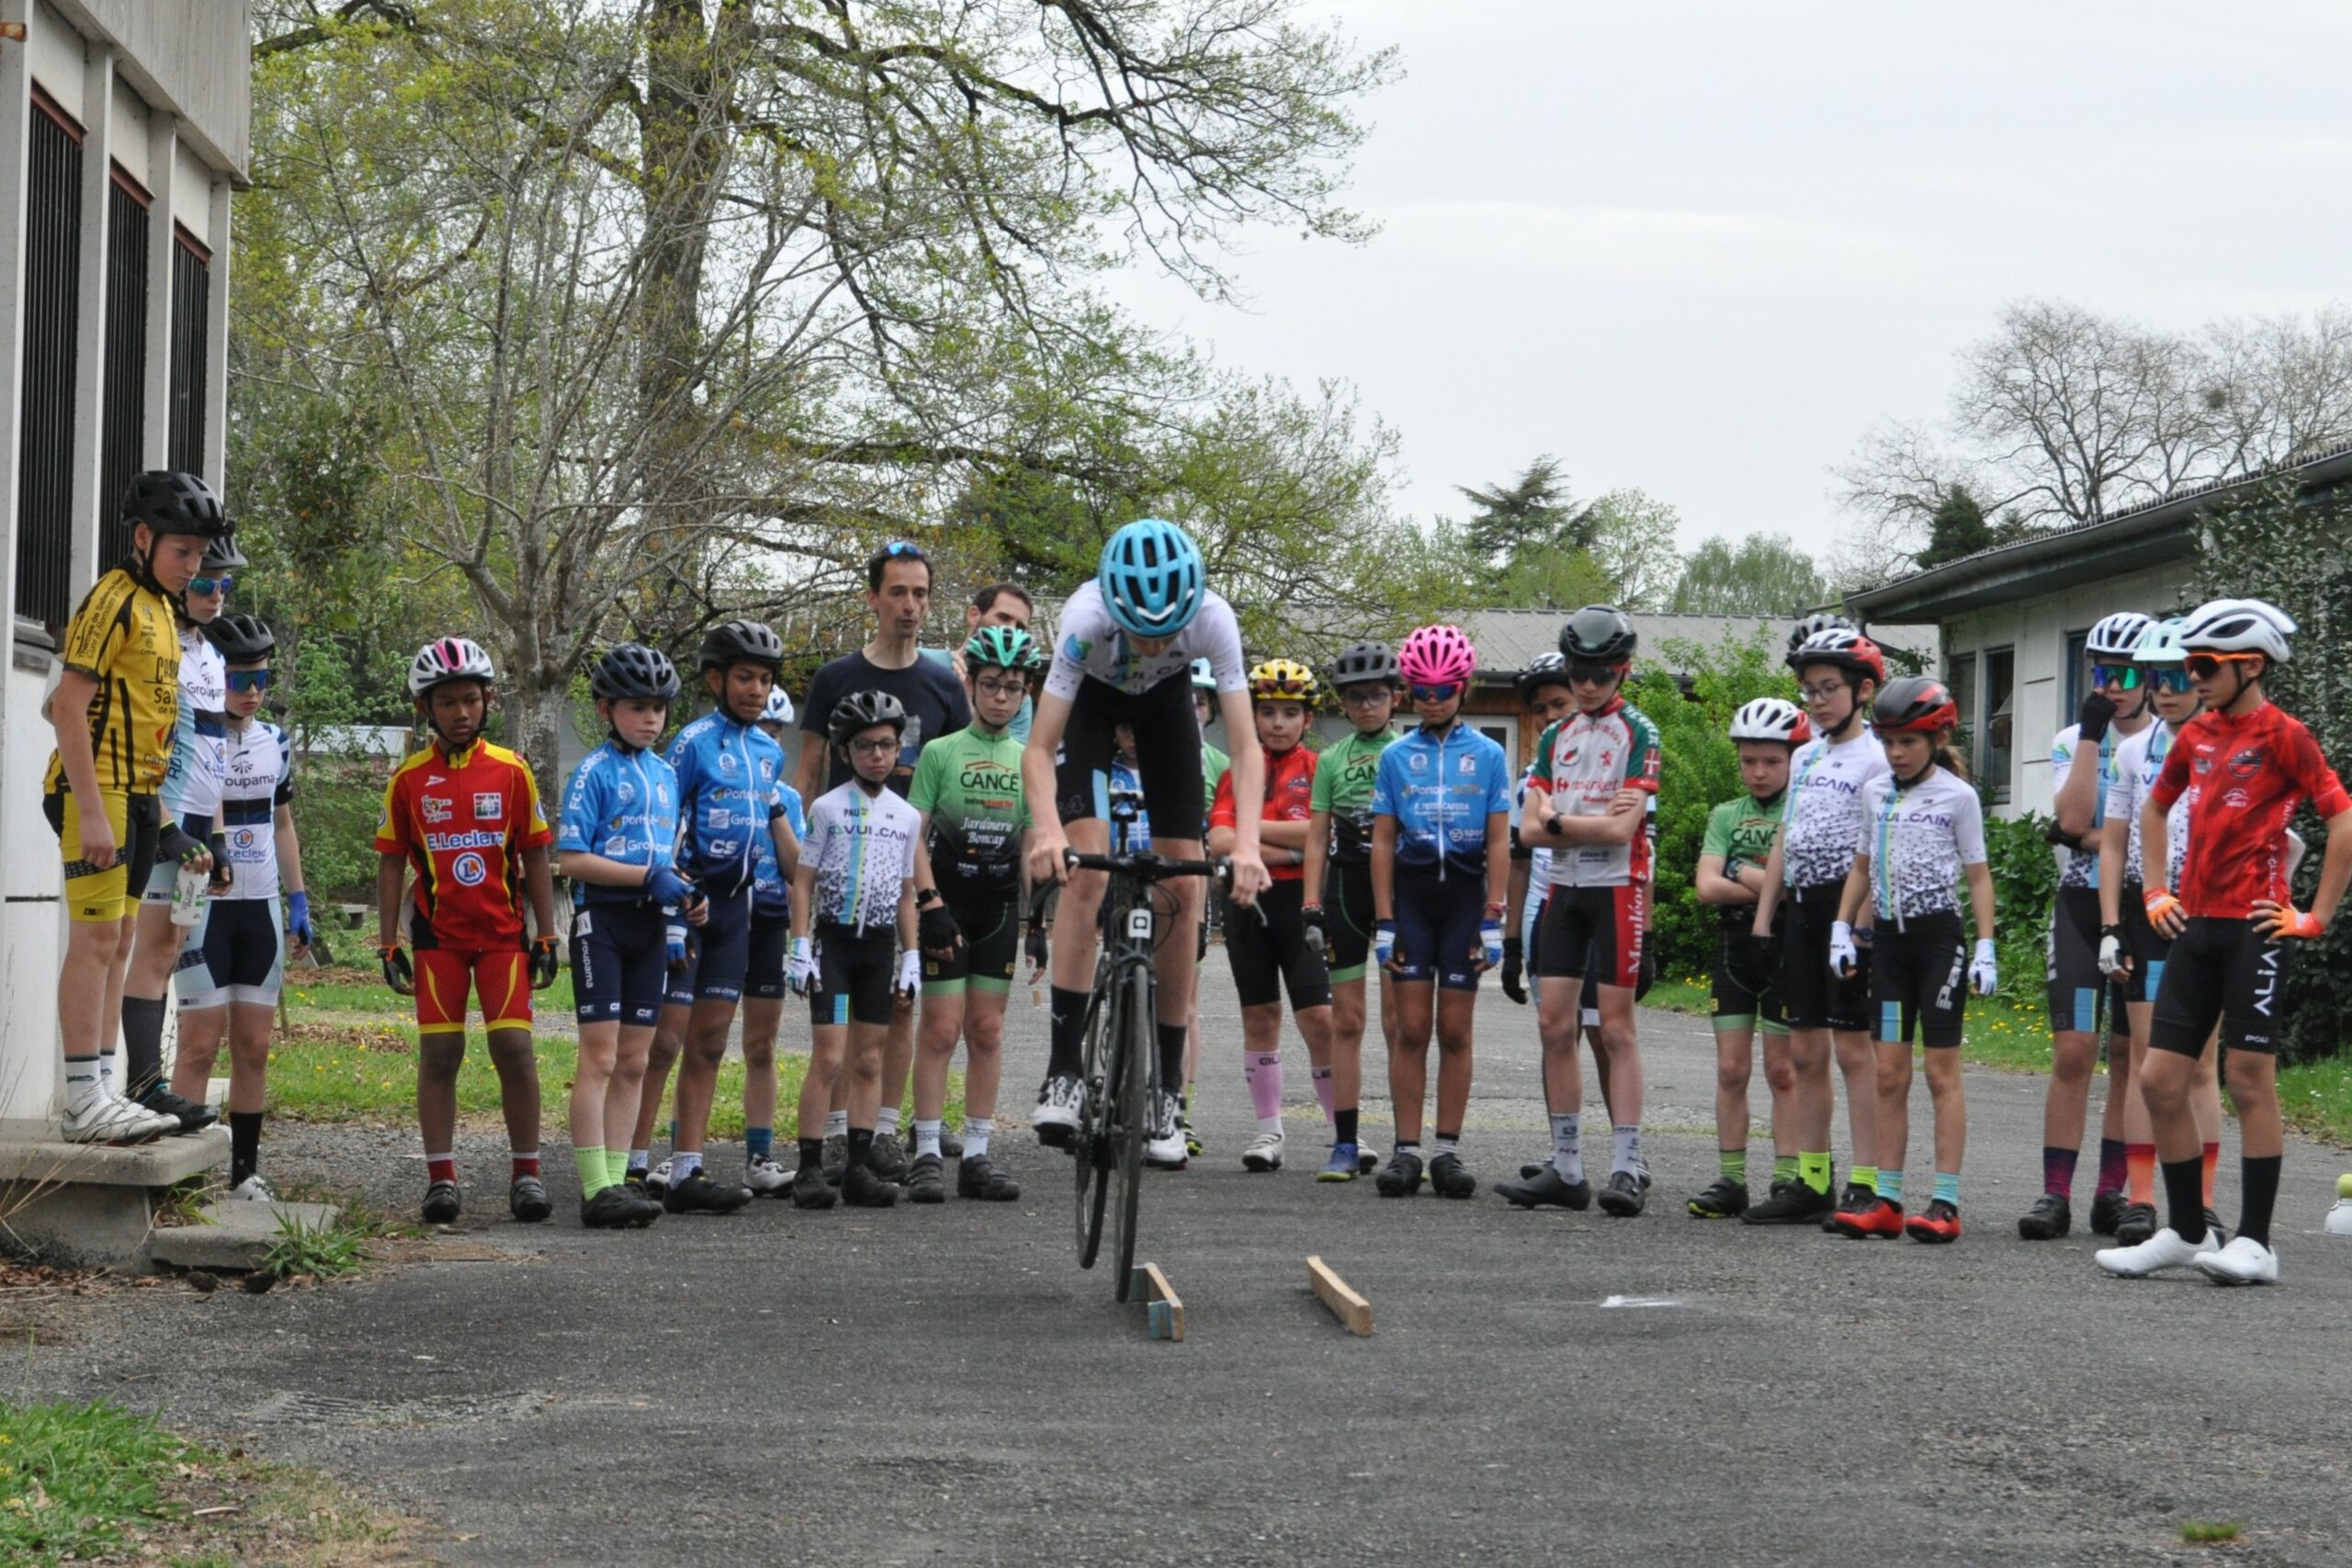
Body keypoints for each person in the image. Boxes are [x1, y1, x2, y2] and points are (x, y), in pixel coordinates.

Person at [2098, 598, 2352, 1286]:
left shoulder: (2284, 734)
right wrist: (2154, 889)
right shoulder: (2199, 732)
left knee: (2247, 1078)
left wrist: (2315, 915)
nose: (2190, 677)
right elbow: (2154, 805)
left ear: (2253, 664)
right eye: (2186, 665)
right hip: (2196, 924)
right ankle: (2184, 1229)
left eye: (2205, 666)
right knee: (2157, 1078)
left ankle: (2257, 1242)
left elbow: (2341, 816)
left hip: (2256, 929)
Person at [1024, 518, 1270, 1170]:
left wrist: (1246, 845)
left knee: (1187, 882)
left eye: (1168, 631)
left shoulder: (1215, 620)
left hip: (1165, 707)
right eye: (1142, 628)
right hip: (1094, 706)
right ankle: (1063, 1071)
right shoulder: (1084, 621)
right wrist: (1047, 829)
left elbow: (1245, 749)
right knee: (1088, 873)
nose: (1156, 639)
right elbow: (1039, 749)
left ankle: (1164, 1090)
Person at [43, 474, 230, 1143]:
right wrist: (91, 810)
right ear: (143, 538)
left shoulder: (161, 608)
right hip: (100, 791)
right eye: (183, 551)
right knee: (95, 941)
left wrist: (165, 817)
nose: (194, 566)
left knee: (120, 940)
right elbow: (65, 703)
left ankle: (100, 1086)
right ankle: (81, 1098)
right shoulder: (113, 599)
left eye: (201, 555)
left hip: (142, 796)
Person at [796, 542, 971, 1182]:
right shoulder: (834, 678)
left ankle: (883, 1131)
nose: (910, 605)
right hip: (840, 865)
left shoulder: (942, 682)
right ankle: (835, 1136)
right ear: (872, 598)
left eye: (921, 593)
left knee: (900, 999)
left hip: (911, 865)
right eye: (897, 592)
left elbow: (948, 775)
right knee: (839, 1017)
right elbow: (807, 769)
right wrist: (793, 856)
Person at [375, 637, 561, 1224]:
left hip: (504, 935)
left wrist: (546, 933)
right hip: (438, 940)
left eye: (471, 700)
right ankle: (441, 1178)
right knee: (440, 1054)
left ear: (489, 701)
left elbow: (535, 854)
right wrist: (388, 942)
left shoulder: (512, 772)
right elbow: (390, 861)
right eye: (448, 702)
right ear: (425, 709)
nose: (461, 712)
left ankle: (527, 1175)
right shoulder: (408, 779)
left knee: (514, 1048)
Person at [1498, 607, 1661, 1215]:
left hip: (1618, 889)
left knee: (1615, 1028)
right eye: (1580, 672)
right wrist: (1577, 826)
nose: (1588, 685)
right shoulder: (1552, 736)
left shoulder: (1640, 731)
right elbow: (1531, 835)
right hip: (1563, 893)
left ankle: (1626, 1165)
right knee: (1553, 1026)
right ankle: (1566, 1167)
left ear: (1623, 669)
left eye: (1600, 673)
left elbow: (1623, 830)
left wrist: (1562, 821)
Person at [1826, 677, 1997, 1243]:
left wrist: (1986, 946)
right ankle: (1888, 1199)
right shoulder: (1875, 791)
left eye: (1908, 742)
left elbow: (1977, 877)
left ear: (1937, 737)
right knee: (1889, 1074)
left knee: (1939, 1072)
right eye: (1888, 741)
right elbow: (1860, 866)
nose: (1896, 753)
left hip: (1938, 944)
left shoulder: (1958, 796)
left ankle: (1945, 1202)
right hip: (1890, 946)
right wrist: (1842, 928)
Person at [649, 620, 798, 1215]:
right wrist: (673, 896)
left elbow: (775, 836)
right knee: (663, 1040)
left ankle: (688, 1169)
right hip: (687, 903)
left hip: (736, 910)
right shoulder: (690, 742)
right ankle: (632, 1163)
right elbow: (664, 819)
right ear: (715, 678)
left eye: (764, 679)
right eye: (744, 677)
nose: (756, 689)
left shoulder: (769, 753)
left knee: (709, 1042)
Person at [1749, 624, 1891, 1226]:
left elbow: (1880, 845)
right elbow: (1787, 835)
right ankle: (1812, 1177)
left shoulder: (1878, 755)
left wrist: (1859, 928)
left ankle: (1867, 1177)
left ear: (1862, 690)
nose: (1815, 700)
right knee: (1804, 1049)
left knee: (1854, 1050)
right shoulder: (1805, 754)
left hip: (1848, 906)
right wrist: (1763, 920)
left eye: (1828, 688)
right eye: (1808, 689)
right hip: (1802, 907)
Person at [165, 614, 308, 1198]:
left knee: (254, 1046)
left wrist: (298, 900)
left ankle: (245, 1173)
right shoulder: (191, 737)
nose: (252, 691)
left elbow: (282, 821)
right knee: (198, 1045)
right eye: (240, 679)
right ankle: (182, 1174)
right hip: (203, 903)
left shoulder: (275, 740)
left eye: (262, 679)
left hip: (260, 907)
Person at [553, 644, 695, 1231]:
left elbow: (673, 855)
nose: (651, 719)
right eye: (638, 707)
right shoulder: (593, 772)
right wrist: (645, 876)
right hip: (603, 923)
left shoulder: (665, 775)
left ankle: (618, 1180)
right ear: (607, 707)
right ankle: (594, 1187)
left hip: (653, 927)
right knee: (602, 1057)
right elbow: (570, 859)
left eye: (659, 708)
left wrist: (687, 907)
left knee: (636, 1060)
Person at [1368, 624, 1511, 1200]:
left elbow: (1501, 841)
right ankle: (1406, 1151)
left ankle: (1447, 1151)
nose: (1432, 700)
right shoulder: (1397, 757)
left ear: (1464, 688)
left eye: (1443, 690)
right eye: (1421, 691)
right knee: (1410, 1030)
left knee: (1454, 1030)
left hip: (1465, 901)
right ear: (1408, 691)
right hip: (1413, 899)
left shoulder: (1490, 754)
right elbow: (1381, 840)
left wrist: (1494, 916)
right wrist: (1383, 919)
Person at [2095, 616, 2225, 1246]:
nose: (2167, 690)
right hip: (2149, 916)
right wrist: (2111, 927)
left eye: (2180, 677)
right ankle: (2142, 1200)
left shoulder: (2228, 742)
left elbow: (2283, 842)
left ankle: (2202, 1204)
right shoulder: (2131, 750)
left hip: (2211, 917)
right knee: (2150, 1063)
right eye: (2156, 679)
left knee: (2201, 1066)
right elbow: (2112, 843)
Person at [2023, 611, 2154, 1240]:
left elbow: (2143, 837)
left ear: (2152, 676)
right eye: (2102, 671)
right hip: (2080, 908)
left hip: (2145, 908)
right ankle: (2055, 1194)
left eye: (2127, 673)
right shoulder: (2075, 736)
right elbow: (2074, 821)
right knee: (2074, 1050)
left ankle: (2112, 1191)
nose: (2114, 684)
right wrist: (2093, 737)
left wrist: (2102, 836)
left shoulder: (2167, 744)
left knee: (2131, 1053)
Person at [119, 527, 247, 1134]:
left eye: (223, 583)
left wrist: (218, 836)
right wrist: (169, 827)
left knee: (170, 950)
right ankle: (141, 1084)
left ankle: (152, 1082)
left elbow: (214, 754)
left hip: (197, 825)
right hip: (159, 818)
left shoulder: (214, 657)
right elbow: (147, 740)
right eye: (203, 581)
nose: (216, 593)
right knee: (145, 949)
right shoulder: (159, 642)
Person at [905, 626, 1040, 1202]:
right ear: (971, 684)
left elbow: (1034, 845)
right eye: (990, 685)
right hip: (948, 906)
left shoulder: (1029, 760)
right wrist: (928, 903)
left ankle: (979, 1156)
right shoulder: (941, 752)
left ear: (1026, 690)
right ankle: (929, 1151)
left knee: (986, 1030)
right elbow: (916, 834)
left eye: (1013, 688)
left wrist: (1037, 927)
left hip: (1001, 908)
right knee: (939, 1030)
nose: (1001, 698)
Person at [790, 691, 924, 1210]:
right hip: (836, 947)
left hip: (880, 947)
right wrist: (799, 945)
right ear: (845, 752)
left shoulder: (906, 815)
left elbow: (908, 892)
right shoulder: (827, 807)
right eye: (865, 746)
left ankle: (858, 1168)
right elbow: (803, 881)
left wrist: (911, 956)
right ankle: (807, 1168)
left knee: (869, 1060)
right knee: (829, 1058)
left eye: (887, 745)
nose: (877, 755)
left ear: (898, 750)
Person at [1208, 660, 1339, 1174]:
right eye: (1267, 713)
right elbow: (1220, 840)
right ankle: (1268, 1132)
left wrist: (1253, 834)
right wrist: (1292, 843)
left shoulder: (1319, 769)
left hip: (1300, 903)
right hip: (1248, 901)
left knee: (1320, 1021)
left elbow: (1321, 839)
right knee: (1260, 1018)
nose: (1278, 723)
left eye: (1290, 713)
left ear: (1307, 719)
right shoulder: (1236, 769)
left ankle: (1340, 1132)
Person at [1684, 697, 1810, 1220]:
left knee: (1783, 1071)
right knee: (1731, 1068)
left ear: (1794, 760)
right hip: (1735, 948)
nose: (1758, 772)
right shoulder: (1725, 814)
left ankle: (1787, 1178)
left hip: (1787, 947)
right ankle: (1731, 1179)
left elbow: (1797, 891)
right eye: (1748, 761)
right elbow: (1705, 887)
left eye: (1771, 762)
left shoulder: (1802, 809)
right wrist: (1764, 885)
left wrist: (1742, 872)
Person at [1302, 639, 1404, 1182]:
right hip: (1344, 889)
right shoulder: (1332, 761)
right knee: (1347, 1020)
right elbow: (1317, 836)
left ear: (1394, 697)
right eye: (1356, 698)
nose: (1366, 706)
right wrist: (1310, 902)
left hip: (1396, 891)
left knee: (1398, 1023)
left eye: (1376, 696)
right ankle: (1344, 1142)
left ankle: (1405, 1144)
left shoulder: (1407, 753)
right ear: (1343, 704)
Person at [1177, 657, 1233, 1156]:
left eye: (1198, 700)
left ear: (1210, 709)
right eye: (1182, 697)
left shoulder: (1219, 765)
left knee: (1186, 1002)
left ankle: (1180, 1107)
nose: (1190, 708)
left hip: (1192, 884)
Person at [922, 581, 1038, 741]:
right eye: (1003, 617)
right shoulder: (923, 662)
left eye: (1020, 626)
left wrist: (969, 703)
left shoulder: (1017, 694)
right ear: (974, 615)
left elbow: (1007, 760)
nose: (1010, 629)